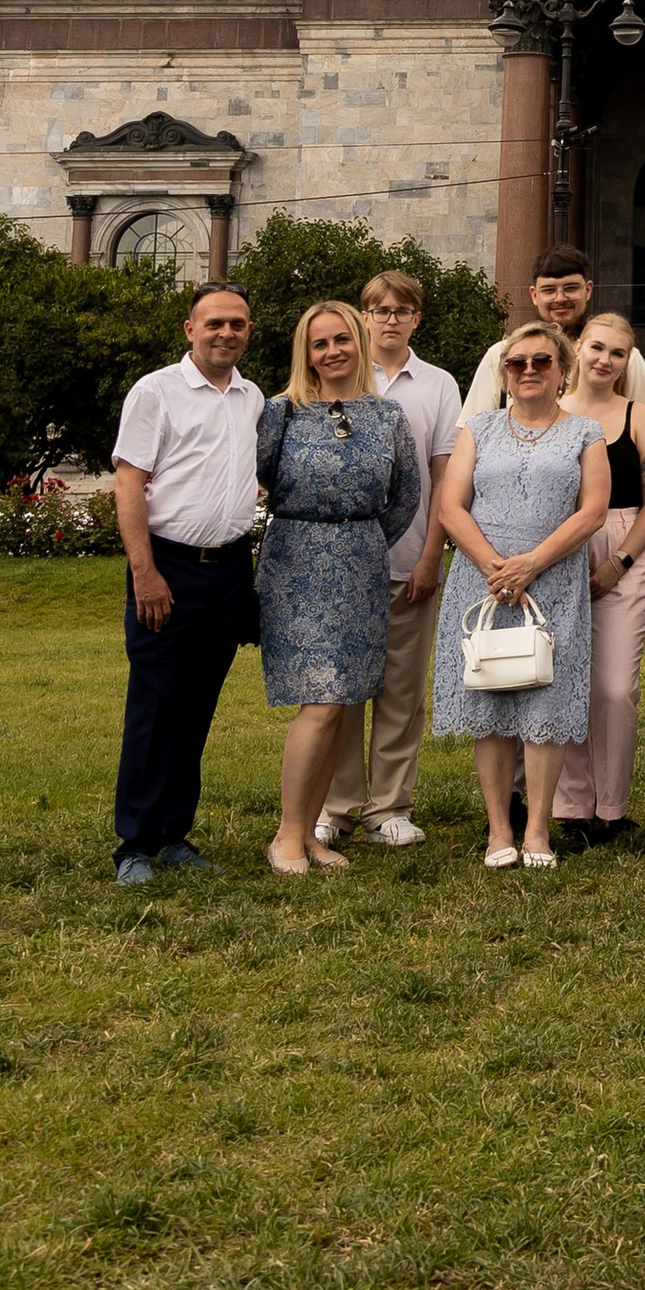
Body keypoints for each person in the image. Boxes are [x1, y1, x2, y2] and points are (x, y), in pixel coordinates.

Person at [255, 303, 424, 875]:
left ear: (358, 340)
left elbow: (405, 496)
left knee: (344, 699)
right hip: (296, 563)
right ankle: (286, 834)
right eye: (319, 343)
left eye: (340, 340)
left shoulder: (388, 416)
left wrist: (362, 540)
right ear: (306, 352)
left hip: (361, 564)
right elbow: (250, 480)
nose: (332, 351)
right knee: (322, 702)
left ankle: (308, 835)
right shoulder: (280, 412)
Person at [430, 324, 608, 865]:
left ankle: (537, 832)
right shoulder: (479, 427)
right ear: (504, 373)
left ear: (562, 371)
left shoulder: (586, 431)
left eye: (541, 362)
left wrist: (532, 563)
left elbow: (593, 509)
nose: (528, 370)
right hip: (483, 580)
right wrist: (494, 565)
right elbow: (451, 506)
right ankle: (498, 831)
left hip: (552, 578)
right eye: (517, 363)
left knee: (544, 700)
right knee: (489, 696)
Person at [108, 285, 263, 884]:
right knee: (155, 705)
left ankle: (174, 833)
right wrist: (145, 573)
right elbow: (129, 482)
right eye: (215, 323)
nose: (227, 333)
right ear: (189, 330)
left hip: (227, 571)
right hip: (166, 568)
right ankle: (135, 846)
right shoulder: (156, 392)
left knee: (197, 708)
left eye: (239, 324)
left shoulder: (252, 398)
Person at [317, 270, 462, 851]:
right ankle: (338, 805)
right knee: (344, 689)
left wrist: (432, 555)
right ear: (364, 315)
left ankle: (390, 807)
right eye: (380, 310)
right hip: (343, 565)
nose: (391, 319)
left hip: (410, 560)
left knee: (401, 690)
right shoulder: (341, 377)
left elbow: (444, 476)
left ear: (416, 318)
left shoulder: (438, 384)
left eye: (403, 310)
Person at [551, 312, 645, 847]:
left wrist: (620, 560)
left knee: (615, 687)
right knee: (565, 679)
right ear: (578, 346)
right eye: (597, 347)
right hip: (558, 544)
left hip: (622, 541)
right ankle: (572, 807)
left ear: (628, 362)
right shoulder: (549, 411)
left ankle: (613, 807)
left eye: (618, 353)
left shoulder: (637, 415)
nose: (604, 360)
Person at [465, 245, 645, 421]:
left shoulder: (623, 357)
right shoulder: (501, 354)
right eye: (549, 290)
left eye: (570, 288)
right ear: (534, 295)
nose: (560, 298)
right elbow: (472, 432)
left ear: (588, 290)